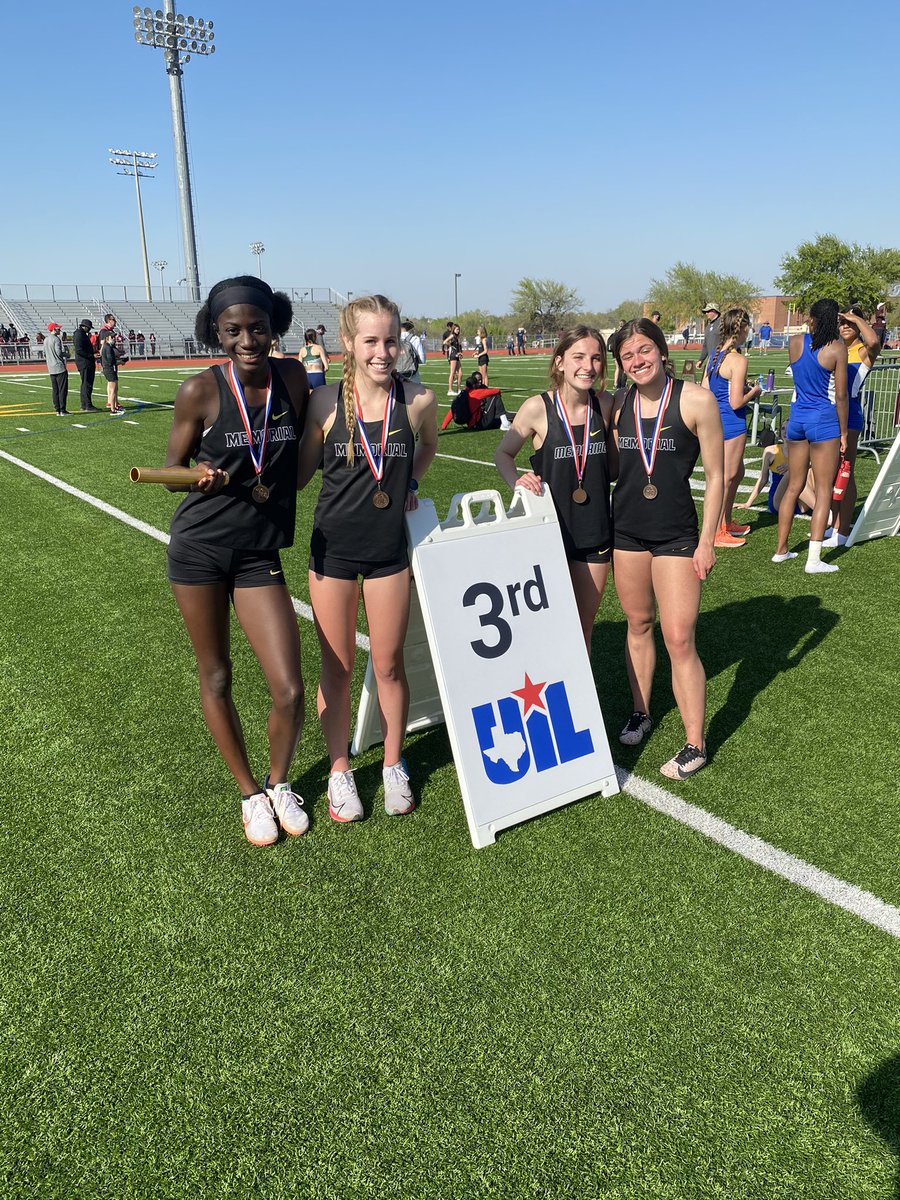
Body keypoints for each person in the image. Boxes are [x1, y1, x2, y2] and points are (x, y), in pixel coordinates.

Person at [164, 275, 311, 847]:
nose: (247, 339)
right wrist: (195, 478)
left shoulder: (293, 378)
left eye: (257, 327)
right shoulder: (199, 391)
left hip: (258, 551)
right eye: (233, 330)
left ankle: (279, 784)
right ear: (216, 333)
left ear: (274, 327)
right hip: (199, 549)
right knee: (217, 674)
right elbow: (171, 469)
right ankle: (250, 794)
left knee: (289, 687)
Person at [297, 294, 437, 822]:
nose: (383, 352)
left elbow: (427, 446)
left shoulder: (418, 400)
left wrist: (412, 481)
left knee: (389, 665)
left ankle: (393, 764)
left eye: (391, 340)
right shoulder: (324, 404)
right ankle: (339, 770)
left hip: (387, 553)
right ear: (349, 344)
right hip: (332, 550)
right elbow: (303, 473)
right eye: (371, 341)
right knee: (337, 669)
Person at [610, 318, 724, 780]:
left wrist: (707, 541)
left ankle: (695, 742)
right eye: (627, 356)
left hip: (677, 535)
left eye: (643, 350)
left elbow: (717, 476)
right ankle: (642, 710)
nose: (637, 361)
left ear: (661, 350)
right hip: (627, 534)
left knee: (679, 637)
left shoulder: (696, 399)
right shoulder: (617, 404)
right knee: (638, 624)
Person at [495, 326, 614, 652]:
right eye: (578, 357)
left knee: (582, 627)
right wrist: (516, 481)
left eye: (596, 358)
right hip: (549, 536)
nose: (588, 366)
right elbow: (503, 454)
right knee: (547, 627)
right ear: (560, 362)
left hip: (595, 534)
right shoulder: (537, 408)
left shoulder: (604, 405)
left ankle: (579, 702)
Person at [772, 298, 848, 573]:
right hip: (823, 422)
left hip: (797, 420)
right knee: (824, 489)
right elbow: (840, 395)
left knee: (794, 485)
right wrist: (843, 433)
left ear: (813, 318)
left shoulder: (795, 342)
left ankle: (781, 550)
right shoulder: (837, 348)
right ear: (834, 321)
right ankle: (813, 560)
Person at [701, 307, 761, 547]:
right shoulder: (738, 360)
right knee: (725, 478)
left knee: (737, 474)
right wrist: (754, 391)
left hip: (717, 421)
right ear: (743, 328)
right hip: (732, 422)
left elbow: (706, 389)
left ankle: (725, 521)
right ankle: (717, 531)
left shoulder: (715, 356)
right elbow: (736, 401)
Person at [825, 306, 881, 545]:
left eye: (850, 323)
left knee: (846, 470)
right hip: (830, 414)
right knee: (830, 471)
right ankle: (834, 522)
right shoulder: (837, 349)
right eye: (842, 323)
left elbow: (874, 340)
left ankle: (844, 529)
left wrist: (855, 317)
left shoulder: (863, 350)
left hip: (851, 416)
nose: (845, 326)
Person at [442, 370, 511, 432]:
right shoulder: (476, 393)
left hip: (472, 425)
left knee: (504, 421)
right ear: (474, 385)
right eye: (477, 382)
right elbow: (497, 391)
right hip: (481, 423)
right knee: (495, 396)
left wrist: (443, 426)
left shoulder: (462, 394)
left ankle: (505, 421)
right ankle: (505, 423)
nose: (479, 383)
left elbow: (452, 411)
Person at [72, 319, 100, 412]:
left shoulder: (81, 334)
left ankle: (84, 405)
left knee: (85, 384)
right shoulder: (79, 335)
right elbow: (79, 351)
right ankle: (87, 405)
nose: (89, 330)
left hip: (85, 361)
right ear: (84, 326)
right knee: (87, 384)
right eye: (88, 328)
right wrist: (92, 355)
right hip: (85, 362)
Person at [44, 322, 69, 415]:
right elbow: (58, 352)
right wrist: (66, 354)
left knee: (55, 390)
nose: (60, 330)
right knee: (62, 389)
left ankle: (57, 409)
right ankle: (62, 409)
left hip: (51, 367)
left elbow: (44, 352)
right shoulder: (56, 339)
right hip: (59, 367)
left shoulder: (46, 340)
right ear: (54, 329)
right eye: (58, 329)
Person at [100, 329, 124, 412]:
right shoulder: (108, 347)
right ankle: (113, 409)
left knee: (112, 389)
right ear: (107, 338)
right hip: (110, 370)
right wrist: (119, 362)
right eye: (112, 337)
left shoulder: (106, 347)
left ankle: (114, 407)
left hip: (108, 369)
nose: (114, 338)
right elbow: (110, 361)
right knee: (113, 390)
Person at [696, 303, 721, 371]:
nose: (706, 314)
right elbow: (705, 345)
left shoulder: (723, 324)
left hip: (722, 360)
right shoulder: (708, 327)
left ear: (714, 311)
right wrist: (701, 359)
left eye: (708, 311)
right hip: (711, 360)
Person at [443, 322, 462, 395]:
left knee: (460, 373)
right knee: (452, 372)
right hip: (453, 356)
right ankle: (450, 390)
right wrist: (450, 345)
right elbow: (445, 342)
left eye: (459, 329)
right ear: (454, 329)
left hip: (457, 356)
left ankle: (458, 389)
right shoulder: (452, 336)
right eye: (457, 329)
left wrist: (459, 353)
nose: (458, 330)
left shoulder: (456, 337)